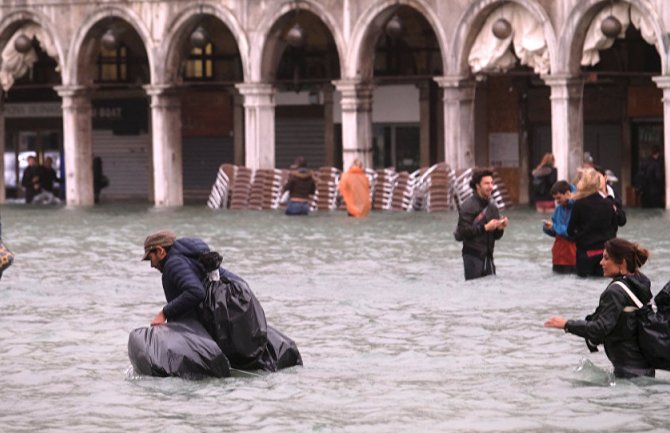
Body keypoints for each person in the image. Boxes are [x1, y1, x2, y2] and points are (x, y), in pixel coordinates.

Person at [545, 238, 655, 379]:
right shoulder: (639, 283)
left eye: (606, 258)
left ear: (621, 263)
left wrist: (566, 325)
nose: (601, 262)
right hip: (645, 368)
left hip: (628, 372)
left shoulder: (615, 292)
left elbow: (600, 328)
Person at [142, 230, 241, 325]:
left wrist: (164, 313)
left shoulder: (173, 263)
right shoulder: (188, 257)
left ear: (160, 251)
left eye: (151, 258)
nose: (152, 265)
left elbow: (196, 291)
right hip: (237, 304)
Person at [454, 168, 508, 280]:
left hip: (488, 257)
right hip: (472, 256)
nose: (490, 187)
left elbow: (496, 236)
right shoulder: (468, 206)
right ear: (478, 185)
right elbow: (464, 231)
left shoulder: (493, 208)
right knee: (474, 291)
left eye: (492, 183)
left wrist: (500, 228)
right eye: (486, 183)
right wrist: (486, 227)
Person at [568, 168, 618, 277]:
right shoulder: (608, 203)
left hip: (585, 252)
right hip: (604, 253)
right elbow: (614, 227)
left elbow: (570, 230)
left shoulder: (578, 204)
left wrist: (578, 238)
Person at [542, 180, 576, 274]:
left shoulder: (577, 208)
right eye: (555, 199)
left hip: (572, 255)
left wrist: (554, 227)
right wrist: (548, 228)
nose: (557, 201)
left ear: (568, 193)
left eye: (559, 198)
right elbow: (556, 231)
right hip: (558, 255)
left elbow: (572, 232)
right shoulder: (558, 210)